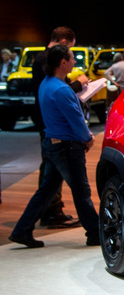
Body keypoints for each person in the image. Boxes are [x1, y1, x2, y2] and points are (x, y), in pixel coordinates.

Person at [8, 45, 100, 248]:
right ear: (62, 63)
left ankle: (22, 230)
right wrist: (87, 138)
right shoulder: (61, 89)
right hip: (66, 146)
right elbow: (75, 119)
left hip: (52, 143)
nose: (74, 61)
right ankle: (94, 232)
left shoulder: (47, 84)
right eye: (71, 58)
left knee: (47, 190)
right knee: (81, 190)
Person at [31, 27, 89, 229]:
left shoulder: (42, 62)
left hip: (50, 128)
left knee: (51, 177)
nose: (73, 61)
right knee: (74, 185)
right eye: (71, 53)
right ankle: (53, 213)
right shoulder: (44, 62)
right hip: (55, 130)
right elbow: (57, 93)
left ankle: (42, 216)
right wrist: (77, 85)